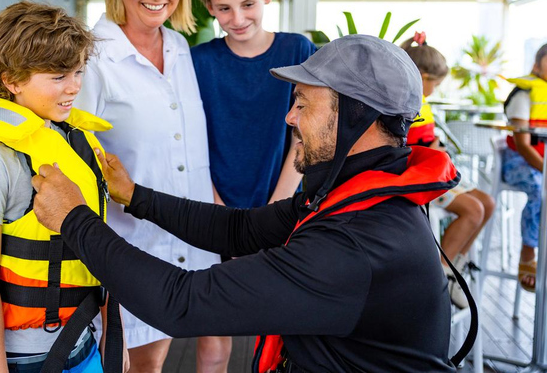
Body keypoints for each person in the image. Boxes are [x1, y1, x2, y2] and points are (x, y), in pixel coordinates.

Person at [33, 35, 462, 372]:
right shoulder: (356, 193)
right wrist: (135, 196)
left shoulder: (354, 244)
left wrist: (74, 219)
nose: (290, 118)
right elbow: (240, 229)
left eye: (303, 104)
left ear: (354, 116)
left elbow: (182, 304)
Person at [0, 1, 125, 373]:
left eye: (78, 71)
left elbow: (96, 243)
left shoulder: (77, 143)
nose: (73, 87)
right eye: (58, 77)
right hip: (15, 358)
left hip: (81, 340)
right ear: (11, 79)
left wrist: (111, 334)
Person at [74, 0, 229, 373]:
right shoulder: (92, 58)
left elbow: (189, 151)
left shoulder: (181, 48)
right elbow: (75, 159)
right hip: (132, 244)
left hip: (196, 238)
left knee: (214, 351)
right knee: (142, 364)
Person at [191, 0, 315, 209]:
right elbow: (191, 142)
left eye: (248, 4)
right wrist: (220, 216)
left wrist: (274, 211)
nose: (237, 19)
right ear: (210, 7)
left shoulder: (298, 51)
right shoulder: (198, 62)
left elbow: (306, 135)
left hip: (282, 209)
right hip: (213, 210)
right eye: (224, 8)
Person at [401, 32, 494, 308]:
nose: (436, 89)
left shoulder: (422, 102)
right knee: (474, 209)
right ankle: (440, 276)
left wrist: (436, 146)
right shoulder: (405, 103)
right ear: (420, 75)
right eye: (436, 83)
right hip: (418, 179)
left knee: (487, 203)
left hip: (432, 172)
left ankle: (455, 268)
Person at [502, 42, 547, 292]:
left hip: (542, 162)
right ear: (535, 65)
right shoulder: (523, 96)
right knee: (542, 188)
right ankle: (528, 251)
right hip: (518, 162)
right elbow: (523, 146)